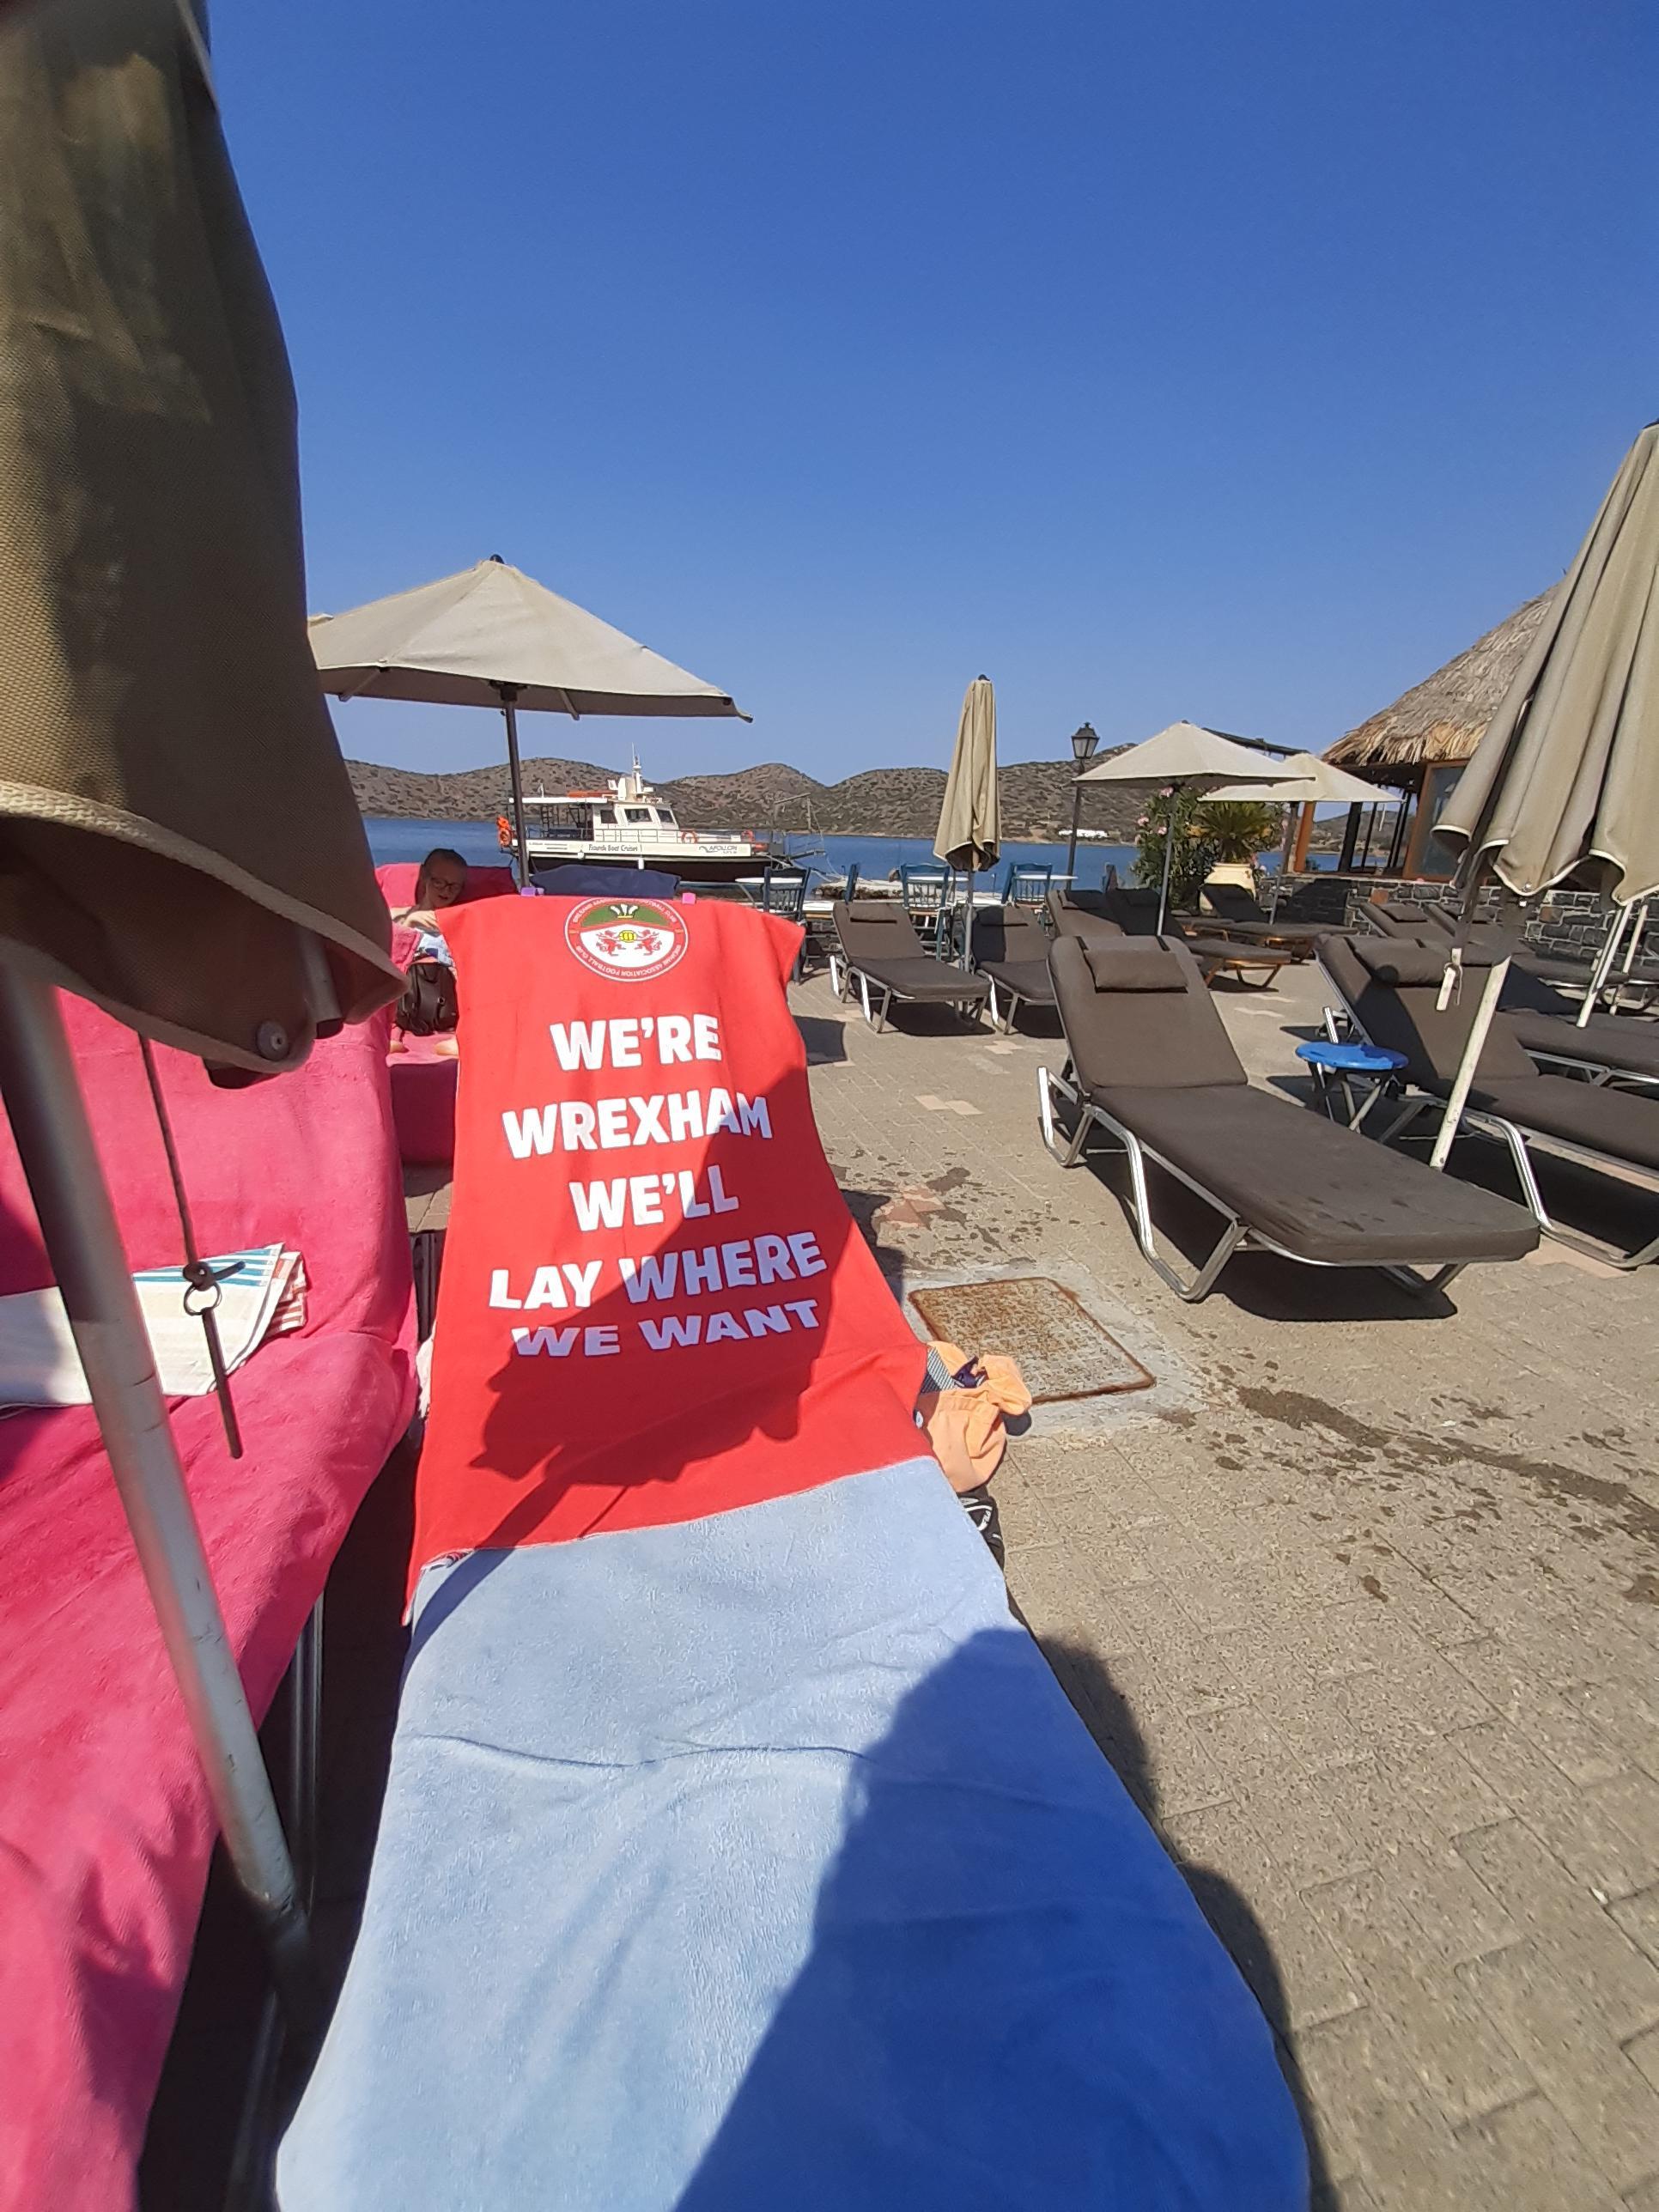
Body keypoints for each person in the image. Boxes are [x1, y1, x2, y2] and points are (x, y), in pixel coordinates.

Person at [392, 848, 468, 957]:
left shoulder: (459, 923)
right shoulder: (393, 916)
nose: (446, 891)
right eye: (439, 882)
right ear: (423, 876)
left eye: (454, 887)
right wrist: (409, 924)